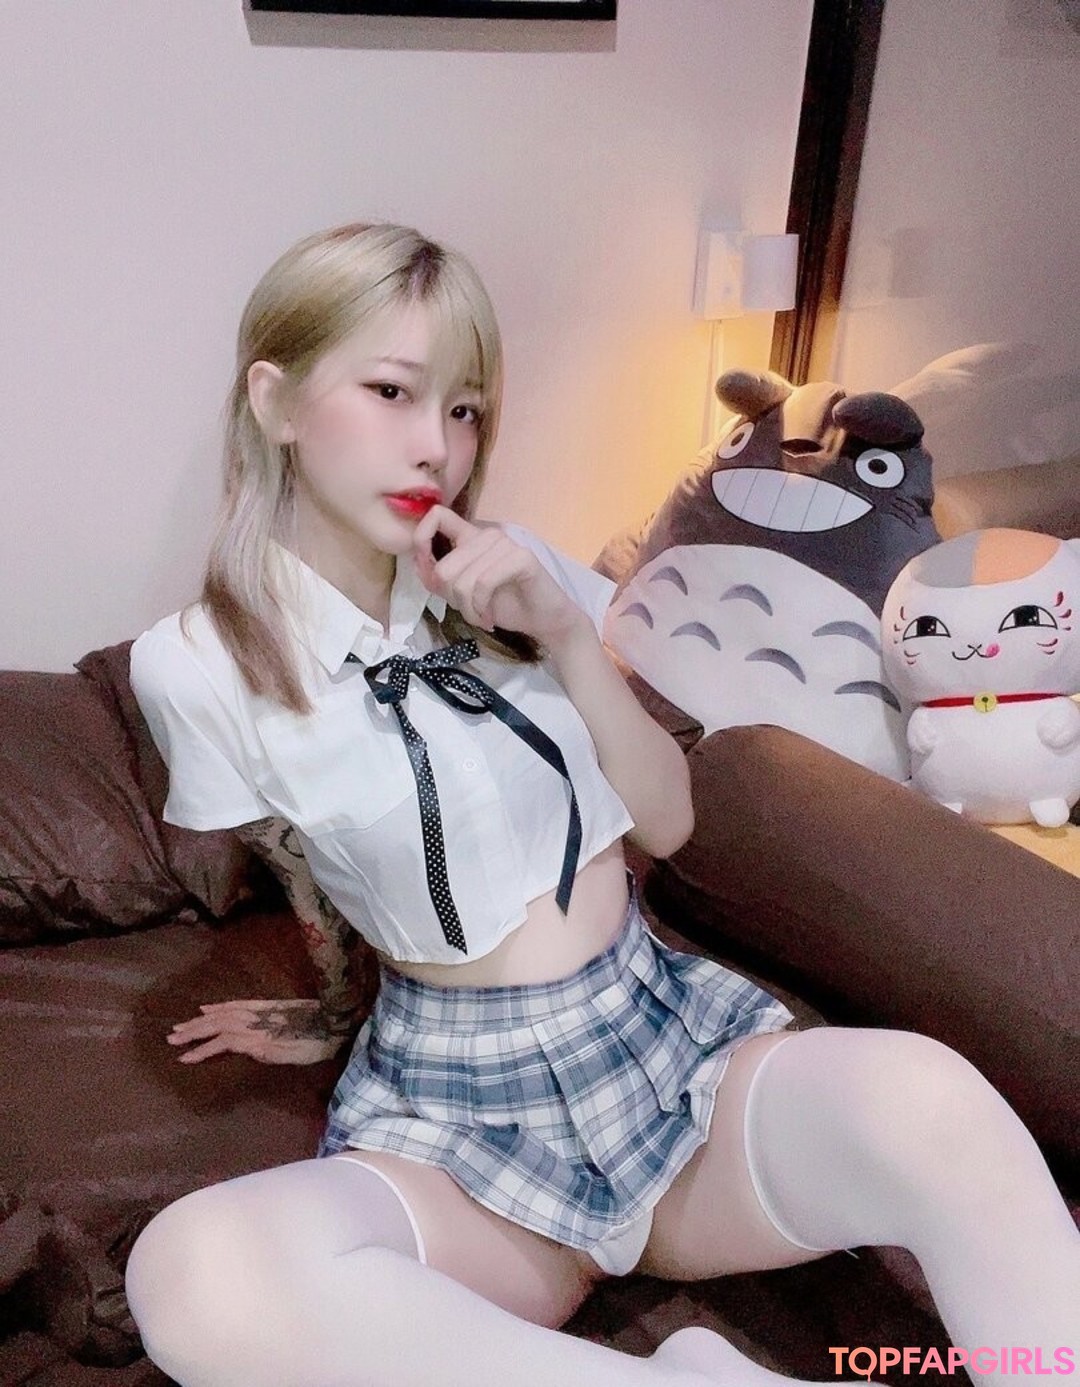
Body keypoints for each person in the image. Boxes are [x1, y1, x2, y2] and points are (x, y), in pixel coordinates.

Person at [124, 222, 1079, 1387]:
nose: (437, 446)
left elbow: (668, 824)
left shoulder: (513, 576)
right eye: (392, 392)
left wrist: (571, 636)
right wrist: (327, 1011)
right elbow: (301, 863)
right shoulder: (194, 667)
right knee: (197, 1272)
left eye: (465, 409)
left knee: (937, 1101)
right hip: (459, 1125)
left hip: (660, 1046)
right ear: (274, 401)